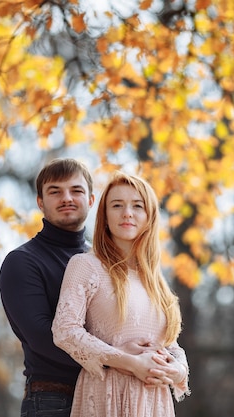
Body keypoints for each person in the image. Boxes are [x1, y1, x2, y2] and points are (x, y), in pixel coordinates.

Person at [0, 159, 174, 417]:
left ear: (91, 201)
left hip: (114, 394)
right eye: (55, 191)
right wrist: (122, 359)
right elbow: (42, 337)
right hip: (53, 399)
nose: (66, 198)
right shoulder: (23, 261)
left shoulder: (105, 263)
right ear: (40, 202)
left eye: (76, 191)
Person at [52, 171, 191, 417]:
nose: (127, 213)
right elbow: (65, 330)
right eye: (117, 205)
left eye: (137, 206)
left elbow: (170, 344)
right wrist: (131, 363)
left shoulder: (155, 280)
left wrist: (178, 370)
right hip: (108, 395)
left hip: (154, 402)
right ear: (104, 216)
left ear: (149, 217)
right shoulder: (85, 265)